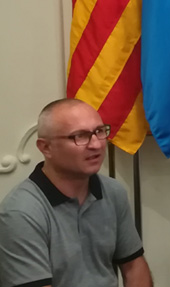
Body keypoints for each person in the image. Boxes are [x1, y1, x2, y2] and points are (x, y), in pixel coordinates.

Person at [0, 99, 152, 287]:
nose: (96, 145)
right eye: (79, 136)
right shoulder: (20, 212)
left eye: (99, 131)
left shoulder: (113, 192)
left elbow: (134, 267)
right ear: (45, 148)